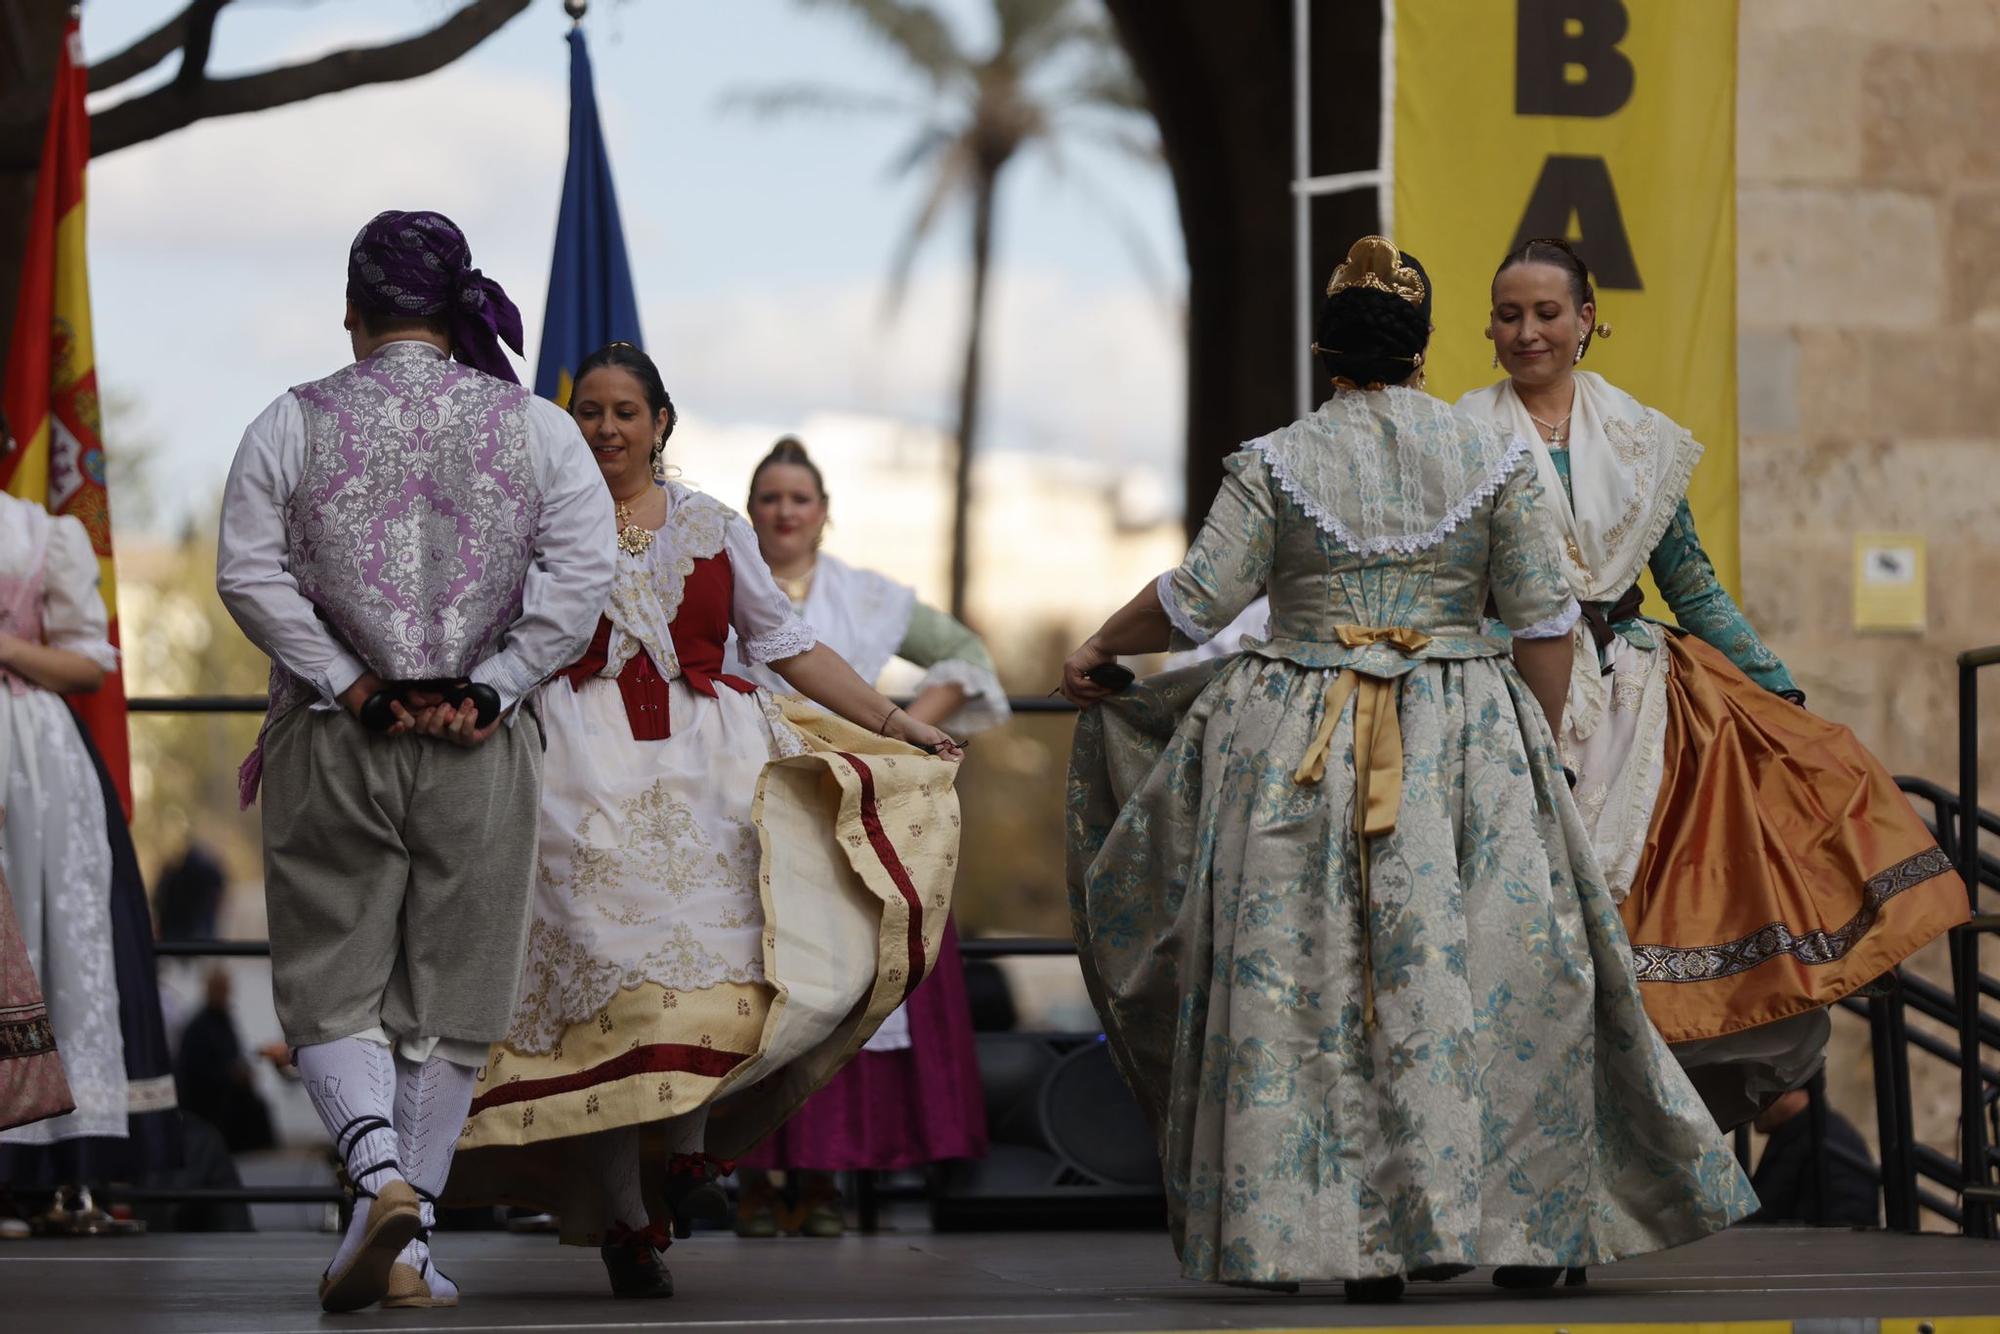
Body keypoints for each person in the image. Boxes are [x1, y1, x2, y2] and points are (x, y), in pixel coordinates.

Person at [1062, 236, 1755, 1300]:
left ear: (1323, 351)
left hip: (1298, 737)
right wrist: (1538, 744)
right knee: (1498, 973)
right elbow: (1538, 618)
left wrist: (1101, 645)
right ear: (1424, 354)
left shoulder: (1277, 458)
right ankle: (1526, 1225)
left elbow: (1195, 600)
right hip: (1466, 726)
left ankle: (1343, 1239)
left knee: (1311, 982)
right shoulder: (1492, 457)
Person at [443, 343, 965, 1299]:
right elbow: (484, 638)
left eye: (625, 411)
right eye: (589, 410)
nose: (606, 428)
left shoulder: (716, 526)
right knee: (606, 989)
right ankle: (627, 1222)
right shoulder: (537, 524)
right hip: (576, 773)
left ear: (661, 423)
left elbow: (791, 646)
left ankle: (688, 1147)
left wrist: (892, 725)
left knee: (733, 963)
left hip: (715, 771)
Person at [1458, 238, 1967, 1129]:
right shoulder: (1456, 438)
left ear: (1587, 320)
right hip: (1511, 698)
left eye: (1547, 312)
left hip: (1641, 703)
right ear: (1489, 327)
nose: (1527, 331)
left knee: (1659, 909)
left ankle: (1630, 1129)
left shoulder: (1644, 441)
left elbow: (1690, 584)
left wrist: (1779, 691)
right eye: (1510, 314)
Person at [217, 210, 616, 1312]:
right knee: (454, 998)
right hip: (480, 746)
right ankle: (411, 1242)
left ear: (352, 312)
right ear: (453, 311)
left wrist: (351, 679)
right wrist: (492, 682)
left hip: (335, 736)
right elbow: (581, 574)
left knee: (330, 984)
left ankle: (379, 1179)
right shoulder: (536, 426)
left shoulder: (287, 422)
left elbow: (248, 573)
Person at [724, 435, 1001, 1237]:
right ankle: (746, 1177)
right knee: (757, 977)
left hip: (844, 793)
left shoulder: (868, 597)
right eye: (770, 498)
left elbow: (965, 656)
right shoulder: (724, 582)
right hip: (744, 792)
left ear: (824, 513)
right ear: (751, 512)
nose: (784, 512)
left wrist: (906, 733)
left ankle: (820, 1180)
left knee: (843, 978)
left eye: (799, 499)